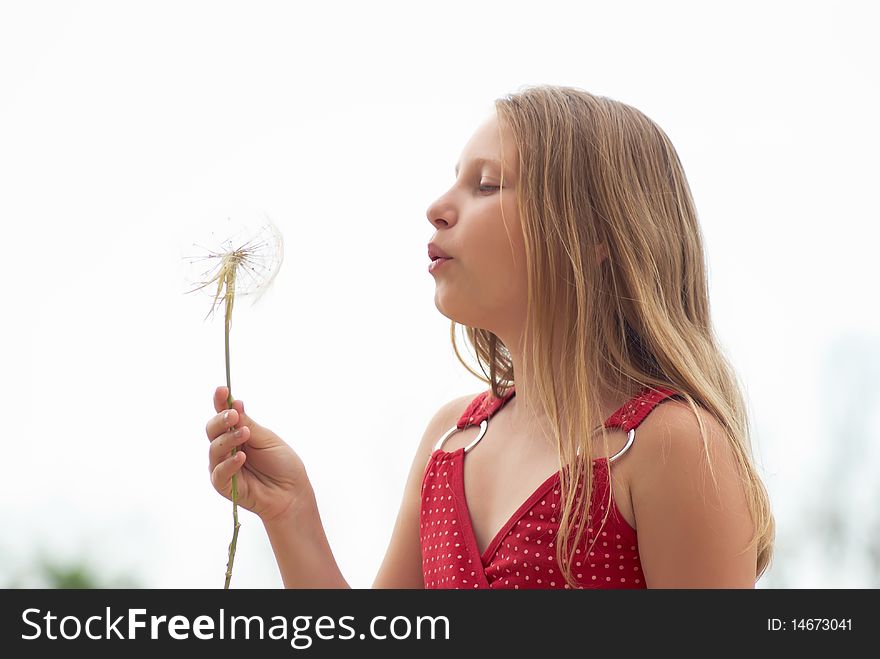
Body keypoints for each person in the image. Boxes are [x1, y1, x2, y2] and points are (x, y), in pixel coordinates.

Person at [204, 85, 775, 589]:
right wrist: (291, 513)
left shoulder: (671, 445)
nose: (437, 208)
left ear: (596, 237)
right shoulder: (451, 440)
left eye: (486, 184)